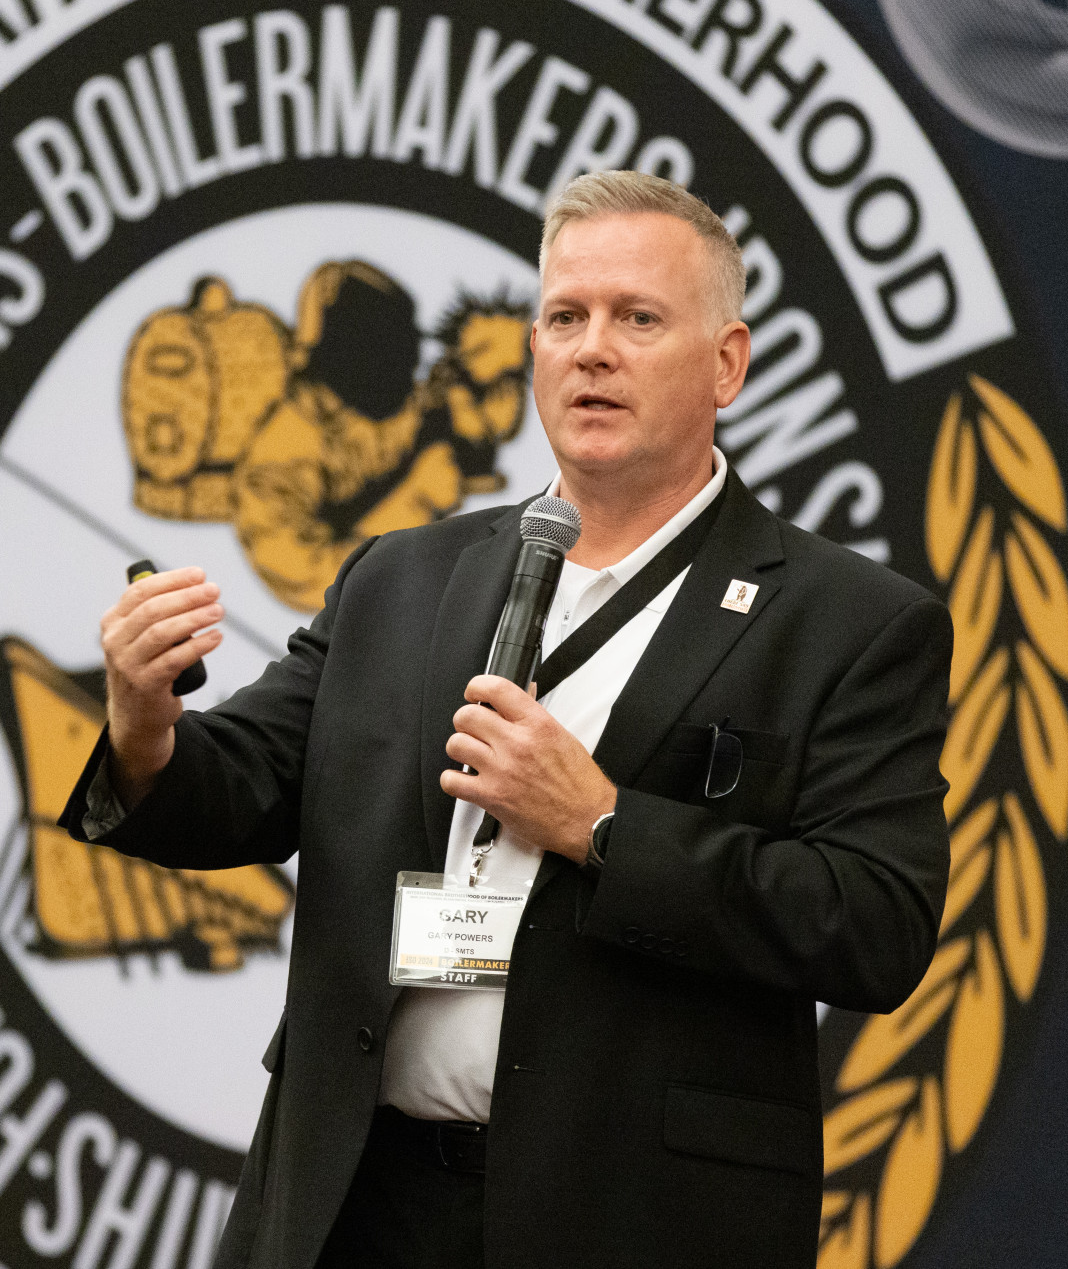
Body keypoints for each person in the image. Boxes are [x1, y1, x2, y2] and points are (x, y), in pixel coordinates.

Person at [61, 170, 953, 1269]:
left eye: (637, 319)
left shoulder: (847, 622)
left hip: (629, 1221)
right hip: (359, 1205)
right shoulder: (400, 577)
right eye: (565, 317)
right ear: (533, 348)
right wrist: (143, 722)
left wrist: (604, 825)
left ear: (727, 363)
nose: (592, 350)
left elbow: (874, 923)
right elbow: (240, 785)